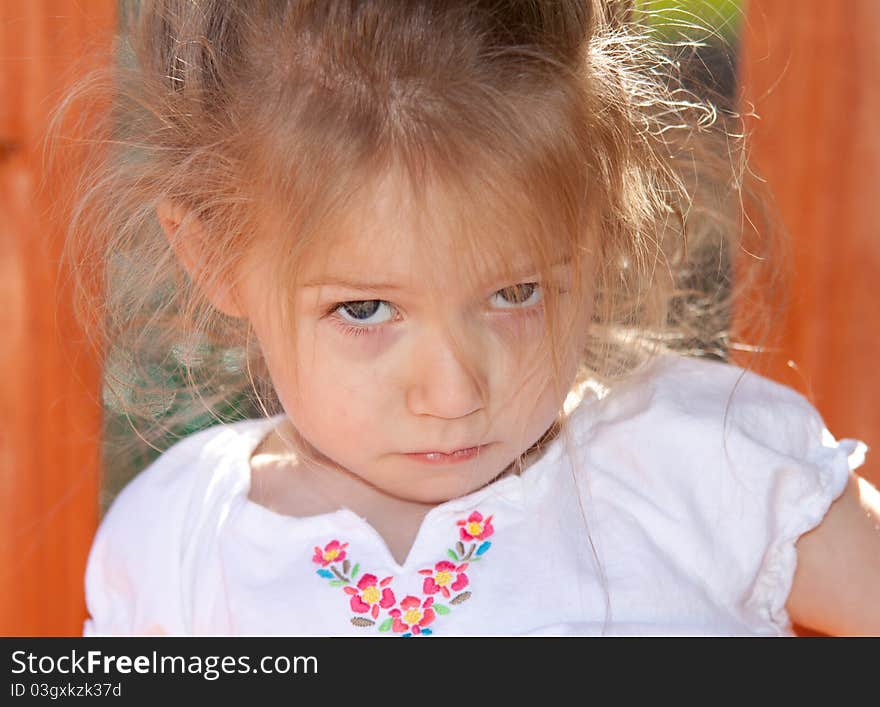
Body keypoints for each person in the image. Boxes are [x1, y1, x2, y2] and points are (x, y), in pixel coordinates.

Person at [66, 0, 878, 636]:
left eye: (515, 292)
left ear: (594, 225)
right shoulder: (179, 538)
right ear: (213, 256)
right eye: (366, 308)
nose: (454, 393)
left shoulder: (706, 464)